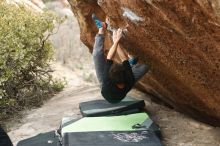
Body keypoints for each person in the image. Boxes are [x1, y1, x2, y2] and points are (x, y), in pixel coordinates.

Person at [92, 14, 150, 103]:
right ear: (126, 73)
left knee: (96, 55)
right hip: (112, 90)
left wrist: (116, 42)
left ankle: (102, 27)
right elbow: (123, 58)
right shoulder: (129, 80)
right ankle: (130, 64)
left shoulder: (106, 80)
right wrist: (116, 41)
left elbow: (109, 57)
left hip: (105, 86)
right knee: (145, 67)